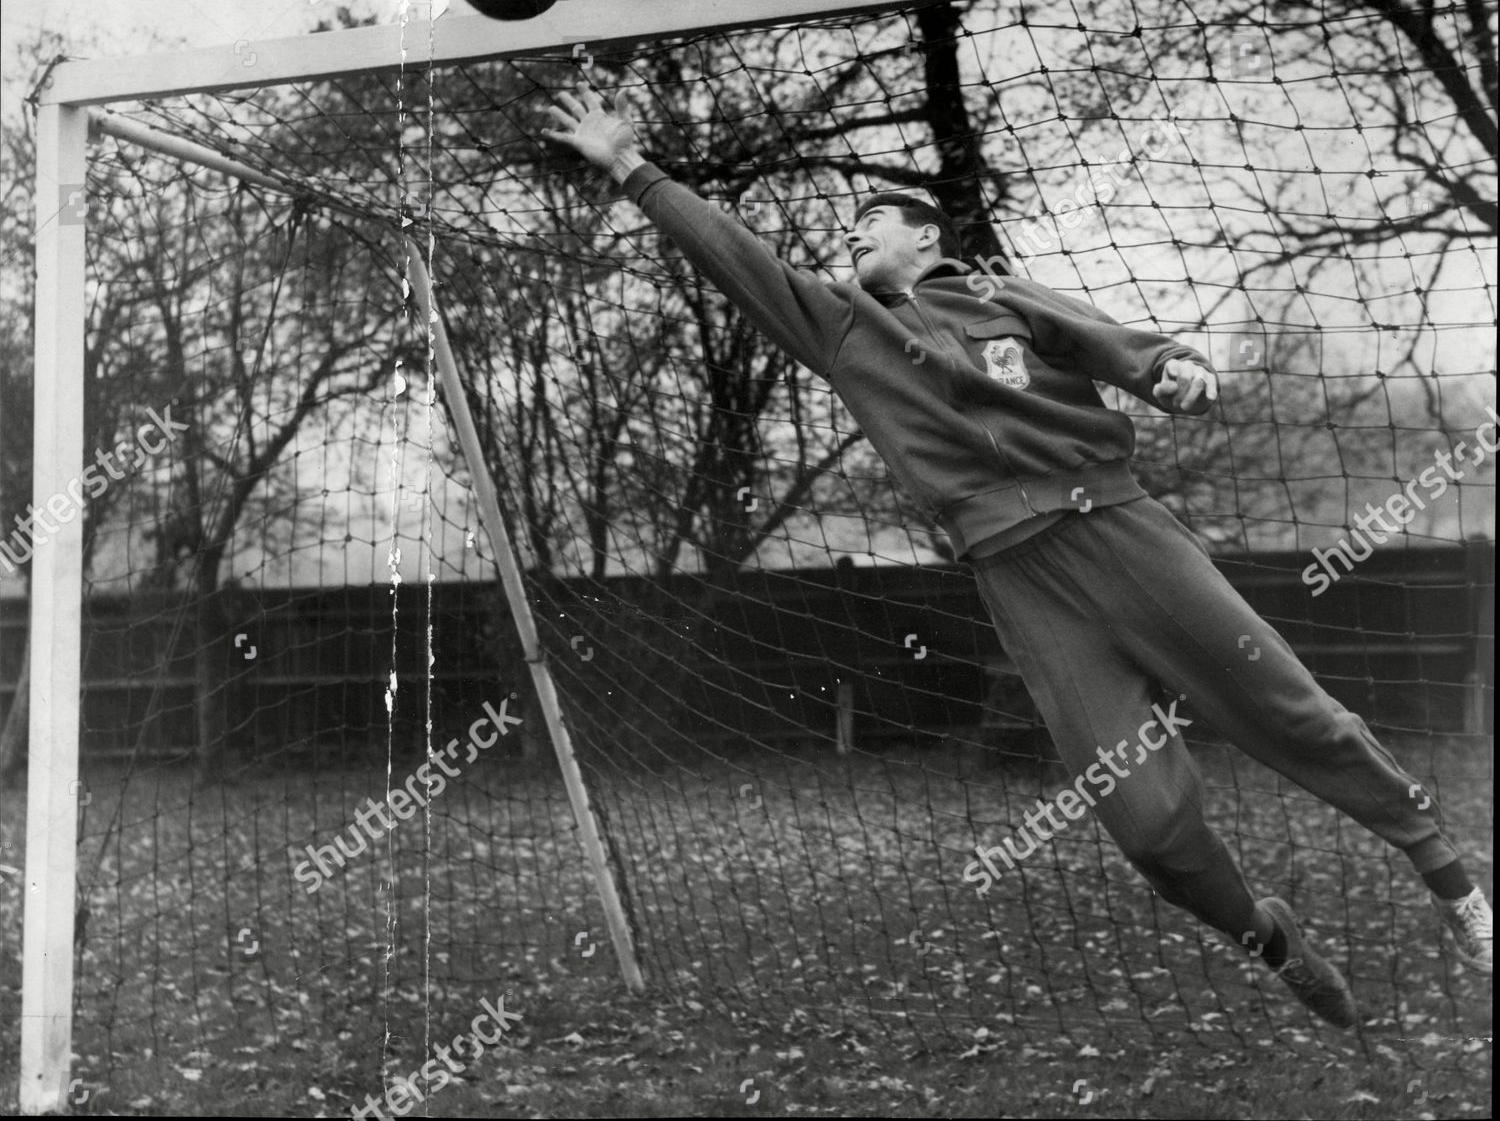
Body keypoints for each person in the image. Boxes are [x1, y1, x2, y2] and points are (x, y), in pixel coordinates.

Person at [541, 81, 1492, 1026]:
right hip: (1021, 578)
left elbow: (1116, 344)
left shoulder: (1000, 296)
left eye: (872, 219)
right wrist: (630, 167)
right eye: (849, 228)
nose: (853, 233)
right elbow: (735, 256)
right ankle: (1273, 941)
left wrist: (1172, 371)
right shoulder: (840, 327)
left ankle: (1450, 880)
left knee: (1294, 715)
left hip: (1122, 532)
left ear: (927, 238)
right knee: (1151, 831)